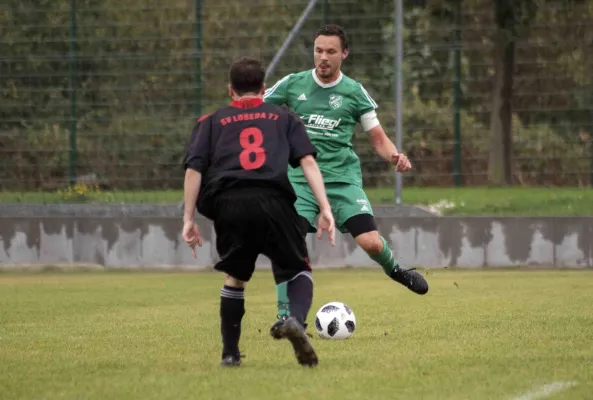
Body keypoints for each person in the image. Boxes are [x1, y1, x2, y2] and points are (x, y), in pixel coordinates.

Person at [181, 57, 336, 368]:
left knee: (235, 277)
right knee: (298, 270)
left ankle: (230, 354)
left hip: (230, 204)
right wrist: (325, 207)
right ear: (264, 89)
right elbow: (307, 161)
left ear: (230, 90)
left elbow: (194, 169)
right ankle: (294, 320)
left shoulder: (211, 121)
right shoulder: (284, 117)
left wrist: (188, 219)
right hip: (274, 201)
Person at [263, 24, 429, 296]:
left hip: (341, 179)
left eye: (331, 51)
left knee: (371, 243)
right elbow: (257, 108)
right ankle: (286, 316)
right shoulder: (293, 84)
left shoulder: (354, 92)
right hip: (301, 180)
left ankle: (397, 270)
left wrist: (395, 156)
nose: (323, 57)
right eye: (318, 50)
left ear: (344, 54)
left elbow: (378, 139)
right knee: (286, 241)